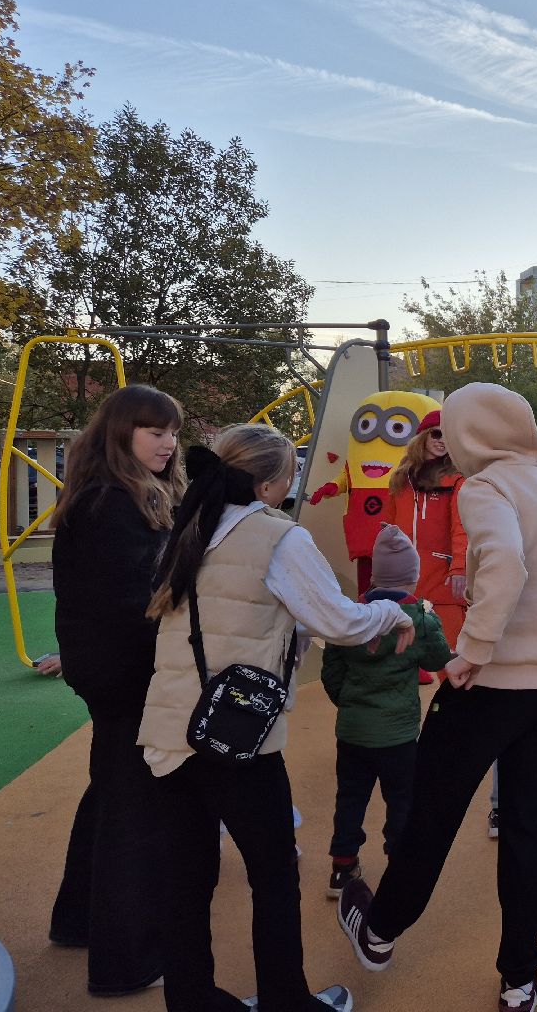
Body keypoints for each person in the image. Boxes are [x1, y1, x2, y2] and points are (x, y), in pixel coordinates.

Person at [337, 383, 537, 1012]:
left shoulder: (486, 487)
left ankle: (380, 931)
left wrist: (474, 650)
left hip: (488, 688)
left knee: (431, 817)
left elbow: (505, 565)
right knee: (527, 833)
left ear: (471, 434)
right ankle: (520, 977)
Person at [141, 424, 414, 1011]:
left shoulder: (188, 528)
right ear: (271, 483)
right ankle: (286, 998)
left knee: (188, 875)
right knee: (272, 873)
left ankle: (191, 999)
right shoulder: (278, 536)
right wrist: (392, 616)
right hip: (234, 734)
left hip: (169, 728)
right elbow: (338, 620)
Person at [50, 384, 185, 996]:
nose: (168, 442)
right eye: (155, 431)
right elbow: (136, 602)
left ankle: (79, 919)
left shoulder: (105, 494)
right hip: (128, 673)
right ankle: (126, 961)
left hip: (108, 669)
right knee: (135, 809)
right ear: (122, 432)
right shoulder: (114, 504)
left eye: (173, 431)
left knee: (111, 791)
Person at [321, 524, 451, 897]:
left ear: (375, 575)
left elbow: (332, 673)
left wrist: (349, 703)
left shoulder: (351, 616)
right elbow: (438, 659)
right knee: (402, 800)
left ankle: (342, 866)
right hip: (399, 735)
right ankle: (399, 864)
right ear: (413, 577)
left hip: (353, 732)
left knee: (350, 798)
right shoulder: (420, 618)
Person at [383, 410, 468, 684]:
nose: (442, 441)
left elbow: (462, 527)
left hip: (444, 580)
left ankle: (457, 708)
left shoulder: (458, 478)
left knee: (451, 657)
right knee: (400, 657)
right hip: (405, 581)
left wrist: (459, 567)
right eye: (437, 433)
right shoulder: (401, 477)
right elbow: (389, 529)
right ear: (423, 436)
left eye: (448, 436)